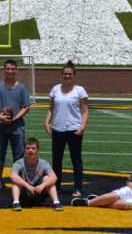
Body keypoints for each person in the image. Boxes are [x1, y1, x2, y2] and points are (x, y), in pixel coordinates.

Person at [44, 60, 89, 197]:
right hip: (57, 129)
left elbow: (85, 111)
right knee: (56, 160)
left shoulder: (80, 90)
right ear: (61, 74)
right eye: (65, 74)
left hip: (74, 129)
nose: (67, 76)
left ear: (74, 75)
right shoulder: (56, 89)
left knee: (76, 160)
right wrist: (47, 122)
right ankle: (56, 187)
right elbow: (52, 108)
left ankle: (78, 188)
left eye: (69, 74)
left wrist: (82, 127)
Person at [0, 59, 31, 192]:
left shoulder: (22, 88)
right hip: (0, 126)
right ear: (4, 70)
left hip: (17, 127)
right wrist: (0, 116)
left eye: (12, 69)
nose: (10, 71)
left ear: (16, 70)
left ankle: (17, 181)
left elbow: (26, 107)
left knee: (18, 156)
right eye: (7, 69)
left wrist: (15, 118)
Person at [10, 138, 63, 211]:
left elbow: (54, 177)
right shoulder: (19, 163)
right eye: (28, 148)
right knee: (16, 181)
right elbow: (12, 176)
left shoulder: (44, 163)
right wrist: (28, 186)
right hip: (24, 194)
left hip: (38, 193)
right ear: (24, 150)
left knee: (48, 178)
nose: (30, 150)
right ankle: (16, 203)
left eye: (33, 148)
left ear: (38, 150)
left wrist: (42, 186)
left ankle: (56, 202)